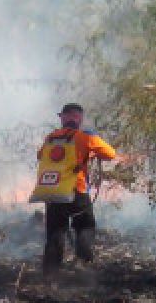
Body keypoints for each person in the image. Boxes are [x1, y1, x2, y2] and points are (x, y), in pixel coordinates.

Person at [38, 103, 117, 273]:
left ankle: (50, 272)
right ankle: (83, 263)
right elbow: (110, 154)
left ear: (63, 118)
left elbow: (40, 156)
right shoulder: (85, 137)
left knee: (55, 231)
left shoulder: (50, 138)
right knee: (85, 226)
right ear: (79, 118)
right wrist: (91, 145)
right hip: (77, 190)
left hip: (53, 191)